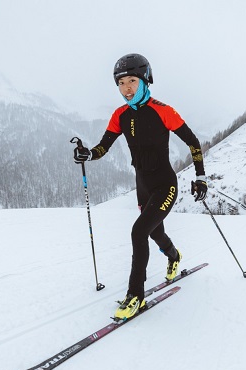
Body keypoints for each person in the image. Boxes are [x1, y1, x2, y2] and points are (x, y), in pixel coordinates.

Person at [73, 53, 207, 321]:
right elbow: (103, 146)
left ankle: (136, 295)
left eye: (132, 81)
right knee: (154, 232)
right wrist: (88, 154)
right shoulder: (120, 115)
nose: (127, 88)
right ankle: (174, 255)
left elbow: (192, 142)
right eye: (121, 83)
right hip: (142, 186)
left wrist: (201, 177)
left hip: (165, 184)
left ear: (146, 80)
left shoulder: (164, 111)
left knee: (138, 231)